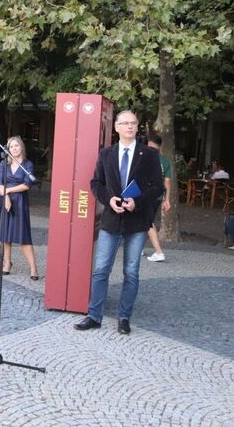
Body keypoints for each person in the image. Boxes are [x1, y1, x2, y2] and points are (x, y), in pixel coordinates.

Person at [74, 110, 163, 335]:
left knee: (131, 272)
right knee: (101, 270)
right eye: (125, 123)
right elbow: (96, 183)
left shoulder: (149, 155)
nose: (130, 127)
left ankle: (124, 317)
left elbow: (158, 187)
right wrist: (108, 199)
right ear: (116, 127)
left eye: (133, 123)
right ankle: (94, 316)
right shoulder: (106, 154)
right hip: (112, 220)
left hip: (136, 221)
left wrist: (138, 202)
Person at [0, 136, 39, 280]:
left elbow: (27, 185)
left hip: (20, 201)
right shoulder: (4, 164)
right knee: (5, 235)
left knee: (24, 237)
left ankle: (33, 267)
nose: (14, 149)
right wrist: (6, 197)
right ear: (8, 150)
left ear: (21, 147)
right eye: (11, 147)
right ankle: (7, 263)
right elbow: (0, 183)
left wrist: (9, 191)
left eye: (16, 146)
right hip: (5, 200)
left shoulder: (28, 165)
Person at [146, 135, 172, 262]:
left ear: (149, 143)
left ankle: (159, 251)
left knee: (148, 222)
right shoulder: (165, 161)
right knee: (144, 221)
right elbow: (167, 181)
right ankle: (137, 247)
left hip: (145, 195)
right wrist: (167, 200)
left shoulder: (145, 157)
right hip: (158, 196)